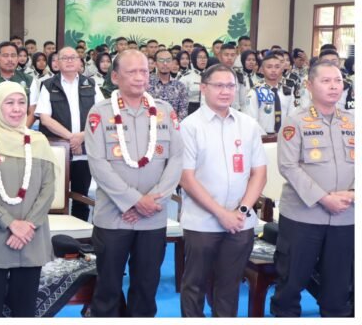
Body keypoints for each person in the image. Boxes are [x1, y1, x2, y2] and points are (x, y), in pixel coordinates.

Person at [84, 49, 183, 317]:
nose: (140, 77)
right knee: (108, 289)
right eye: (132, 72)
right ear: (115, 76)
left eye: (144, 71)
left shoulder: (164, 111)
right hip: (115, 216)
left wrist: (154, 200)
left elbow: (176, 159)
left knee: (146, 287)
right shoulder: (100, 113)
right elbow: (98, 164)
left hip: (153, 215)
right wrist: (134, 201)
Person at [179, 64, 268, 317]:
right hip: (202, 222)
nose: (225, 91)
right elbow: (187, 178)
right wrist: (221, 213)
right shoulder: (190, 126)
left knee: (229, 287)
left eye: (230, 85)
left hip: (240, 222)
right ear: (204, 88)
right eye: (219, 85)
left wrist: (240, 211)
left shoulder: (248, 125)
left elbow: (259, 174)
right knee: (194, 285)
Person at [270, 60, 354, 317]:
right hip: (303, 218)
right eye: (326, 81)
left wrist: (352, 195)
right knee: (291, 284)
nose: (333, 86)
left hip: (346, 217)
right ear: (309, 86)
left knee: (339, 290)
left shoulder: (353, 121)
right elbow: (288, 166)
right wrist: (323, 198)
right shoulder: (296, 122)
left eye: (338, 81)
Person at [0, 82, 57, 317]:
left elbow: (48, 189)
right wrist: (11, 223)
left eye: (21, 103)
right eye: (9, 103)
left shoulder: (38, 141)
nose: (17, 109)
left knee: (25, 310)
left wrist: (28, 225)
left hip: (31, 235)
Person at [36, 46, 96, 221]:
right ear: (57, 63)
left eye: (73, 57)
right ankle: (53, 238)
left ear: (80, 62)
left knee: (81, 198)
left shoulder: (91, 85)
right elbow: (45, 119)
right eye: (65, 58)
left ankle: (81, 239)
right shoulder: (47, 85)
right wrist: (72, 138)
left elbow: (101, 116)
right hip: (57, 152)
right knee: (53, 196)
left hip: (84, 153)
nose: (69, 61)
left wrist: (82, 137)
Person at [244, 51, 294, 134]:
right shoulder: (255, 92)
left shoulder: (287, 91)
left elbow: (292, 117)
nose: (273, 70)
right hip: (262, 138)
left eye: (277, 67)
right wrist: (266, 138)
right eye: (269, 67)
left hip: (285, 137)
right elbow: (251, 120)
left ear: (281, 69)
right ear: (262, 70)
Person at [148, 48, 189, 120]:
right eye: (161, 60)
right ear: (155, 64)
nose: (165, 63)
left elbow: (183, 111)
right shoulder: (146, 84)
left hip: (173, 128)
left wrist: (174, 127)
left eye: (168, 60)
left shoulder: (180, 86)